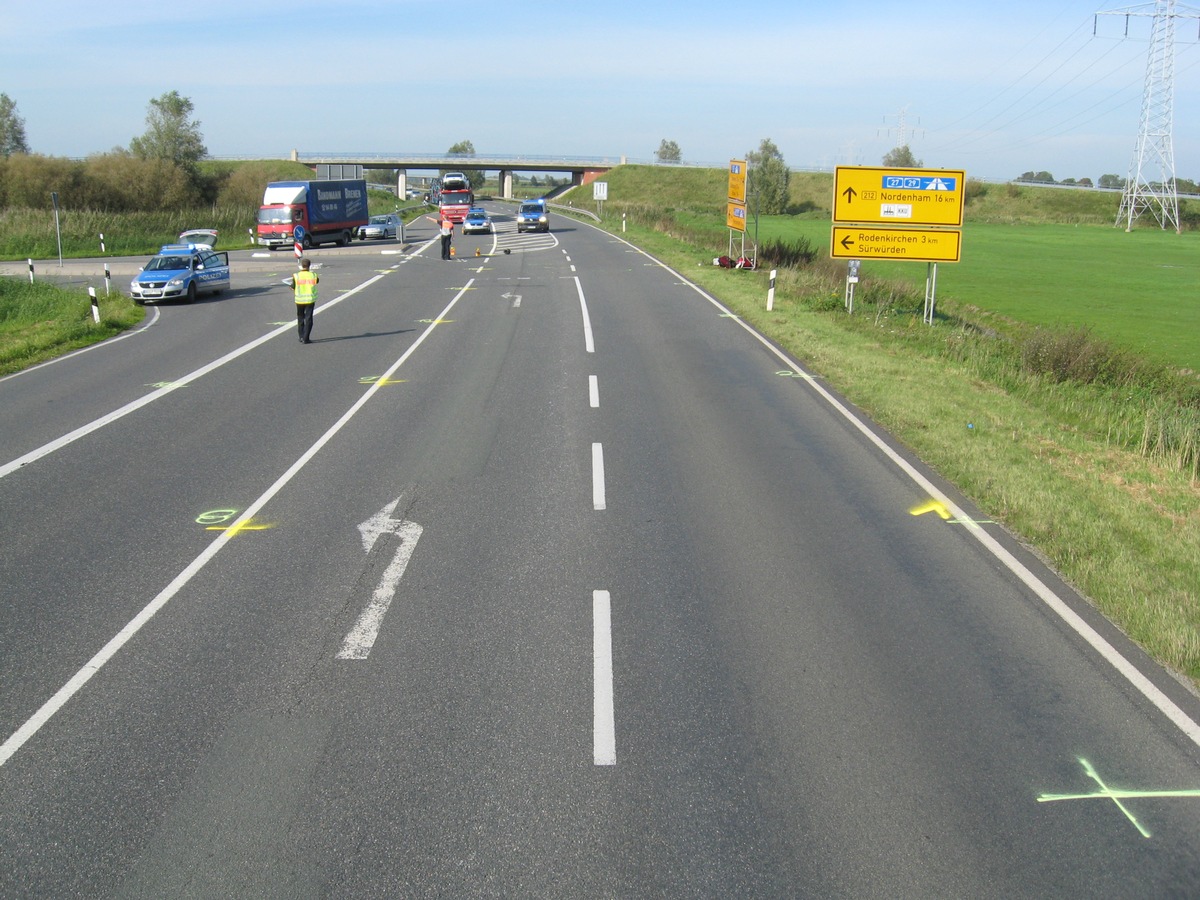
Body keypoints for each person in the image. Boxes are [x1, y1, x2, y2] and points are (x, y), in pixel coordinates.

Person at [291, 257, 318, 343]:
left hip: (299, 300)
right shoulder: (313, 275)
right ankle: (306, 338)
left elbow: (292, 287)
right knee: (308, 319)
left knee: (300, 318)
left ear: (302, 266)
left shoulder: (296, 275)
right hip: (310, 300)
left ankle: (301, 336)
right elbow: (316, 281)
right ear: (309, 266)